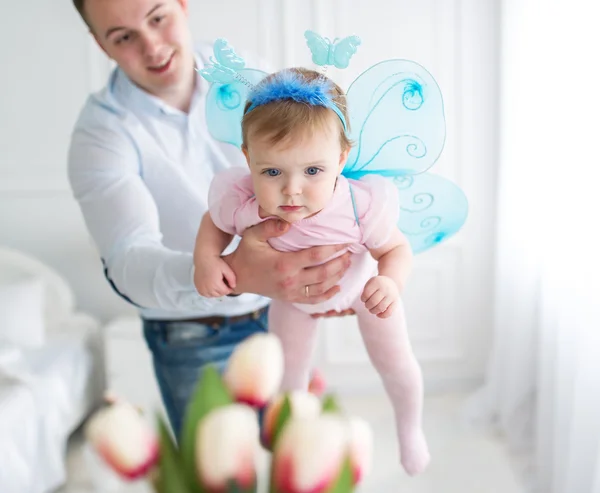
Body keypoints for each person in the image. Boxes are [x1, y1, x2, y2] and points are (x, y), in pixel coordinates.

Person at [67, 0, 352, 438]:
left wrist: (333, 273)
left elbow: (318, 168)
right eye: (123, 37)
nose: (152, 46)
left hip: (285, 313)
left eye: (157, 17)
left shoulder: (249, 79)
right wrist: (229, 273)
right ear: (99, 44)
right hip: (193, 337)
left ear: (182, 4)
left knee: (293, 457)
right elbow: (126, 261)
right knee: (218, 479)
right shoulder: (100, 134)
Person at [194, 67, 430, 475]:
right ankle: (293, 441)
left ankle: (410, 428)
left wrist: (389, 282)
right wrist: (207, 260)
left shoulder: (361, 206)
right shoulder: (245, 201)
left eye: (313, 171)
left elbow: (396, 248)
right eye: (272, 172)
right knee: (287, 375)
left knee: (396, 362)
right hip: (293, 300)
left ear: (341, 159)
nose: (292, 189)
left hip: (362, 292)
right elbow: (214, 222)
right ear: (248, 159)